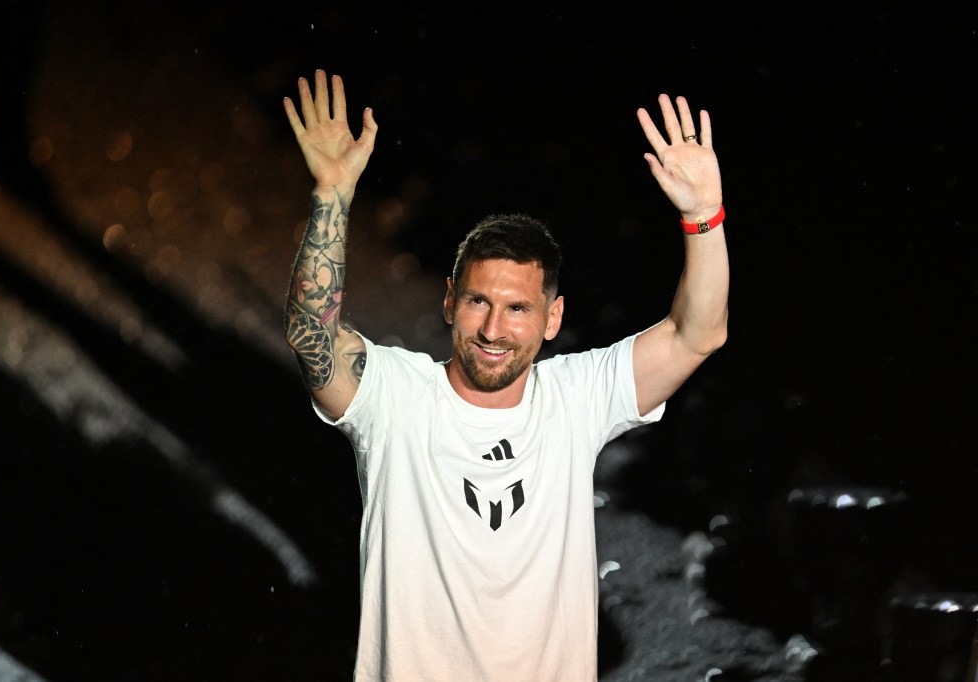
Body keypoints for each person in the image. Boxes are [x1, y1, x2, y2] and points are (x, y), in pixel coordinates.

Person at [283, 69, 728, 681]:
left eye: (518, 308)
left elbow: (697, 333)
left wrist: (705, 215)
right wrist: (332, 192)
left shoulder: (577, 397)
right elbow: (314, 336)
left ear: (553, 318)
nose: (494, 328)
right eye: (477, 302)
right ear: (448, 302)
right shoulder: (395, 397)